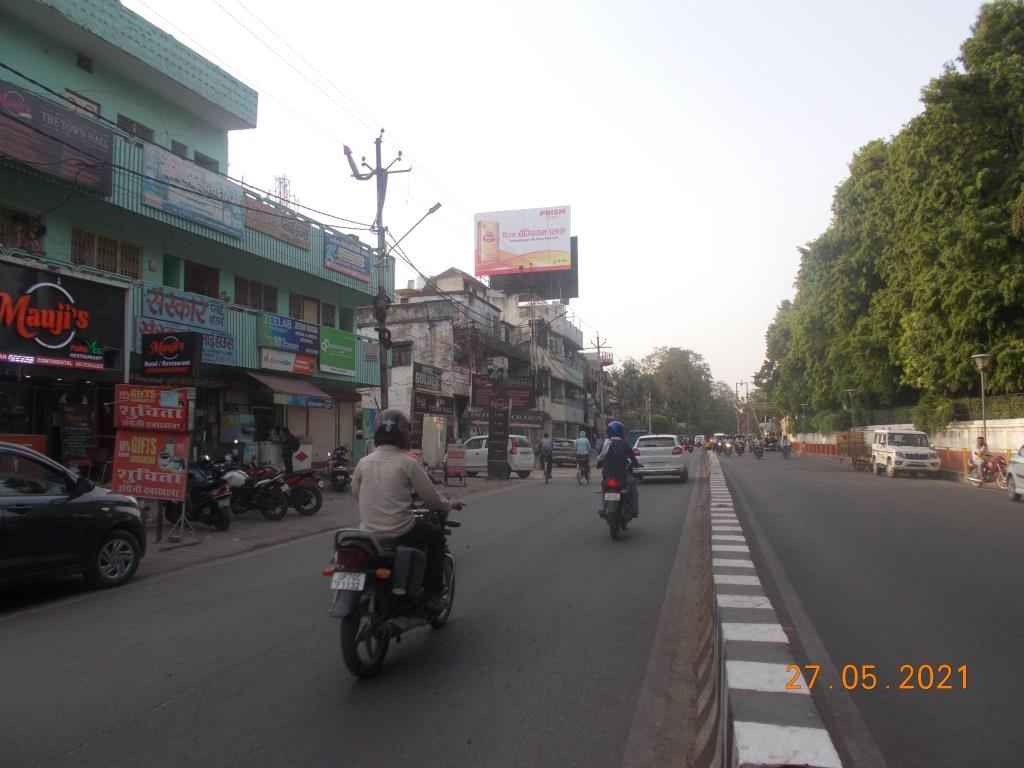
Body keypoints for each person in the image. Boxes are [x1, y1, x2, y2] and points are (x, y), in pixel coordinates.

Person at [351, 409, 461, 610]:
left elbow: (355, 493)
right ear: (403, 435)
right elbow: (431, 498)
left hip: (367, 533)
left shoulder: (363, 462)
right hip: (400, 529)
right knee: (436, 538)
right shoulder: (408, 463)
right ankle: (432, 595)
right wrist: (449, 504)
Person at [596, 421, 640, 515]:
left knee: (604, 489)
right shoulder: (624, 444)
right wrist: (636, 464)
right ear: (620, 432)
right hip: (621, 476)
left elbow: (600, 457)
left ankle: (604, 509)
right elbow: (632, 458)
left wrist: (599, 465)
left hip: (607, 476)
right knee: (633, 486)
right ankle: (634, 509)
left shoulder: (605, 444)